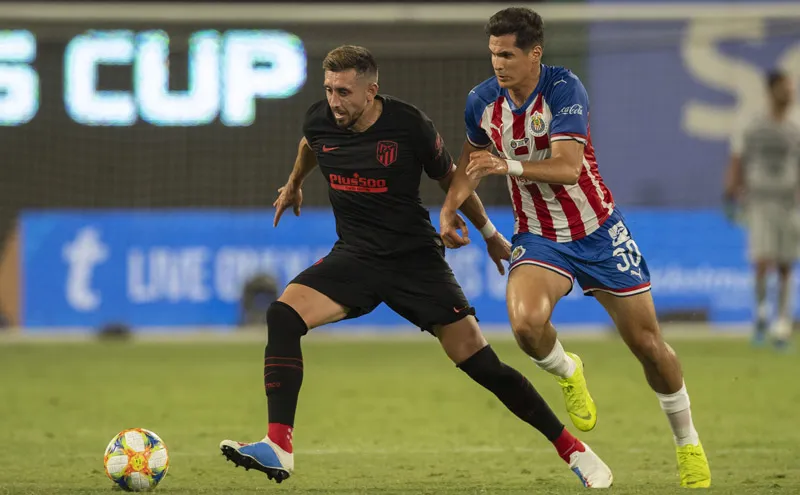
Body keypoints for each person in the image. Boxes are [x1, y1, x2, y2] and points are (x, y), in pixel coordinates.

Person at [219, 45, 613, 488]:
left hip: (415, 263)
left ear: (372, 91)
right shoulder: (319, 118)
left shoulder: (409, 126)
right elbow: (311, 143)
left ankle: (573, 450)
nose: (334, 101)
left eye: (344, 91)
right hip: (355, 257)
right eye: (329, 90)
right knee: (282, 315)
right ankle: (278, 446)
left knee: (484, 367)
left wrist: (488, 234)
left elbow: (453, 179)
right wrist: (293, 183)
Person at [438, 8, 711, 488]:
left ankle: (687, 442)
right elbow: (470, 162)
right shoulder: (481, 102)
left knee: (648, 346)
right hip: (541, 238)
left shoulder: (564, 90)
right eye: (493, 54)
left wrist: (508, 166)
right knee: (525, 324)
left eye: (507, 54)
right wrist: (450, 206)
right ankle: (568, 370)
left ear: (534, 54)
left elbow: (567, 167)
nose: (498, 64)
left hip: (599, 230)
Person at [725, 70, 800, 349]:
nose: (790, 93)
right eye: (785, 88)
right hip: (759, 201)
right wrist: (730, 193)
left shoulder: (796, 124)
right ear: (772, 91)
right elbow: (738, 157)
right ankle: (760, 316)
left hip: (788, 203)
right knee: (762, 260)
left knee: (786, 263)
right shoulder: (753, 124)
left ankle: (782, 324)